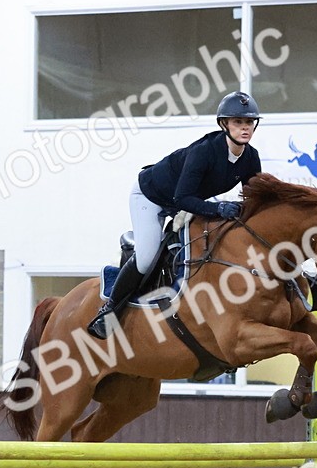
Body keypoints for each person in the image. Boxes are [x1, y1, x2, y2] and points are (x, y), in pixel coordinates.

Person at [86, 91, 263, 339]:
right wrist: (219, 208)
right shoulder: (204, 152)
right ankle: (109, 310)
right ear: (224, 124)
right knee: (147, 257)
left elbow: (254, 198)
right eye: (238, 122)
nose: (245, 128)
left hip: (184, 200)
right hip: (151, 196)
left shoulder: (251, 157)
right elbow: (182, 198)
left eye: (249, 122)